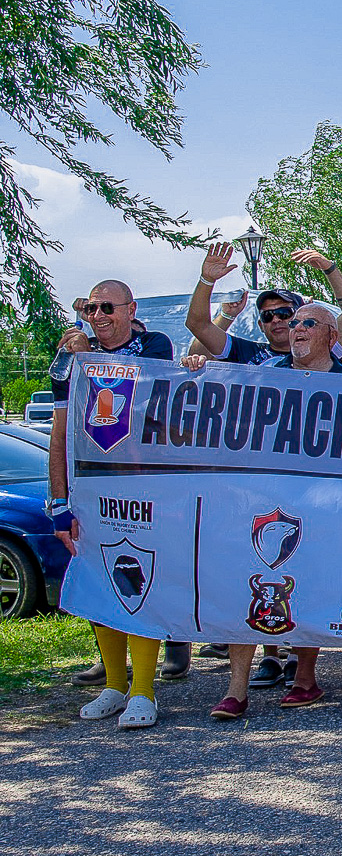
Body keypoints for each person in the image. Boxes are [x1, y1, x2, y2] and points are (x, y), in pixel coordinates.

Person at [208, 304, 342, 720]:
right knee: (247, 584)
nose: (295, 328)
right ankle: (236, 688)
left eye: (308, 323)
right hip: (262, 500)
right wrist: (198, 366)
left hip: (320, 501)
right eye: (294, 323)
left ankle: (305, 678)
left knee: (306, 586)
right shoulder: (263, 370)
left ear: (331, 337)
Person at [50, 280, 176, 729]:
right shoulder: (68, 359)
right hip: (92, 486)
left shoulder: (152, 343)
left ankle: (144, 688)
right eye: (89, 307)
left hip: (141, 486)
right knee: (102, 584)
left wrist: (89, 358)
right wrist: (58, 499)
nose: (97, 315)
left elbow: (145, 395)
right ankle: (114, 684)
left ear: (129, 309)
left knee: (138, 578)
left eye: (107, 306)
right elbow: (59, 431)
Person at [185, 242, 342, 365]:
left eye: (284, 314)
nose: (276, 320)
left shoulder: (323, 351)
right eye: (268, 316)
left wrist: (329, 268)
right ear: (261, 326)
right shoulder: (245, 352)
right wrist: (207, 280)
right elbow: (198, 326)